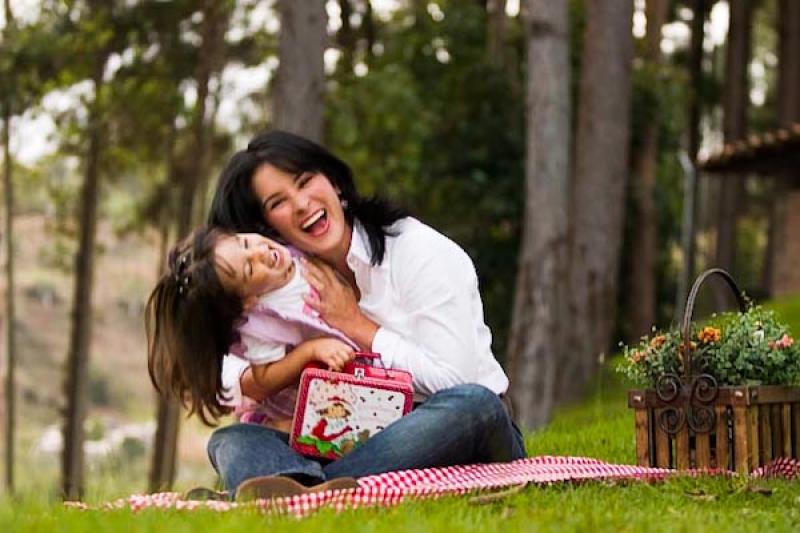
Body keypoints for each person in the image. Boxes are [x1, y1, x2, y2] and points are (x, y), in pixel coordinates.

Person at [206, 130, 527, 498]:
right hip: (358, 436)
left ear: (335, 184)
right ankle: (313, 487)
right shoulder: (285, 288)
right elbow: (225, 362)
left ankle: (306, 487)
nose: (300, 204)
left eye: (306, 181)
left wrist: (357, 326)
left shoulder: (415, 250)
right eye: (279, 202)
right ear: (266, 229)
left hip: (457, 426)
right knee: (231, 439)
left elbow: (454, 381)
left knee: (475, 405)